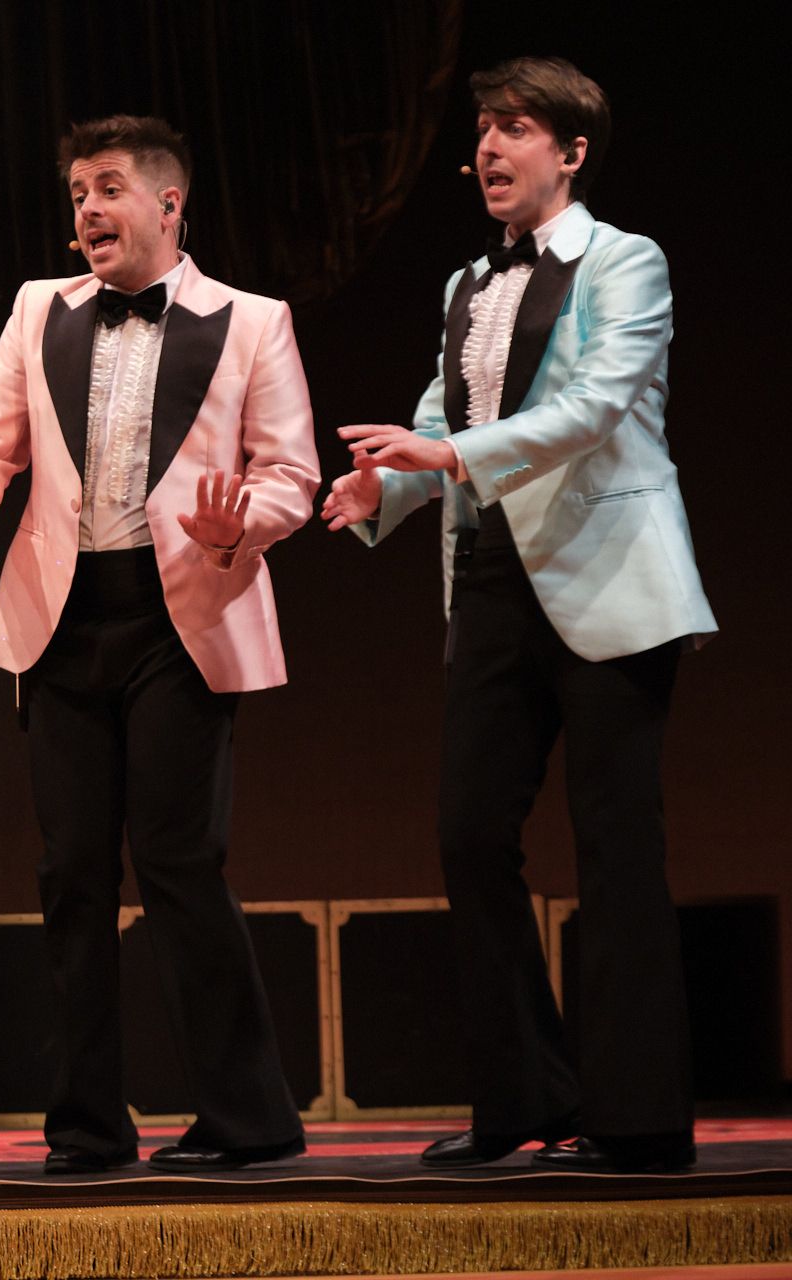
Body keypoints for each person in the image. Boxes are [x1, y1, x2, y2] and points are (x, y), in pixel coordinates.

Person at [0, 114, 316, 1174]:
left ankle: (249, 1117)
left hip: (184, 615)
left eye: (110, 188)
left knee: (179, 862)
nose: (88, 209)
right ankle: (87, 1123)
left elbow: (291, 475)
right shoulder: (39, 309)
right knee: (71, 872)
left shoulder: (252, 322)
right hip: (65, 618)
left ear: (169, 204)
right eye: (78, 191)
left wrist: (242, 524)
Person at [324, 56, 713, 1174]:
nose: (489, 147)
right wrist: (384, 492)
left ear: (572, 152)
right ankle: (523, 1098)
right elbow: (439, 416)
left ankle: (638, 1120)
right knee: (469, 833)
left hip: (611, 577)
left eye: (515, 128)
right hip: (490, 575)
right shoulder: (466, 283)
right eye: (483, 129)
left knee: (616, 842)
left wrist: (448, 456)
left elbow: (596, 404)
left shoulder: (626, 261)